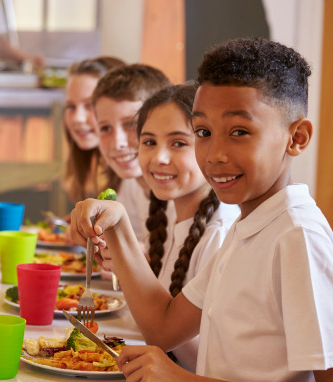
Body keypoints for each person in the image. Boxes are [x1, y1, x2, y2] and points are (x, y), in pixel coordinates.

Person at [70, 38, 333, 381]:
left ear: (296, 138)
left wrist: (179, 378)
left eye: (239, 131)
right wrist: (117, 226)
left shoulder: (297, 236)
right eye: (204, 132)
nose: (214, 154)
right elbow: (163, 327)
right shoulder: (249, 226)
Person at [134, 83, 242, 371]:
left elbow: (206, 359)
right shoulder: (169, 212)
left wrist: (125, 256)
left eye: (178, 143)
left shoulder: (220, 232)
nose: (159, 157)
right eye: (148, 142)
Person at [91, 63, 172, 247]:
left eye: (131, 124)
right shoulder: (132, 184)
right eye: (105, 128)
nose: (117, 142)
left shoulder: (181, 196)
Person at [63, 56, 125, 204]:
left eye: (90, 105)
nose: (77, 118)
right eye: (71, 106)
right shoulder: (96, 167)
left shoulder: (134, 176)